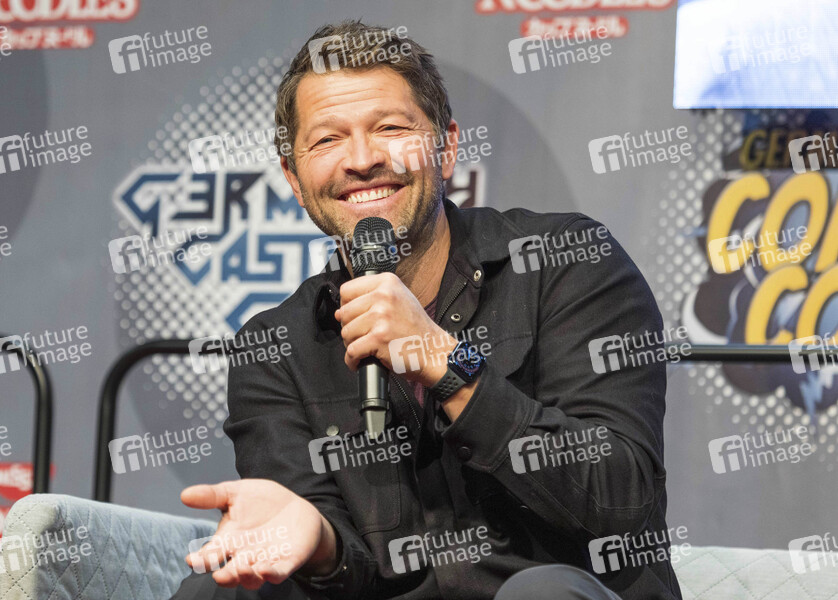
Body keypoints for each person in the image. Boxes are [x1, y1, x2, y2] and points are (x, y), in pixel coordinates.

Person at [170, 20, 683, 600]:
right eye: (328, 140)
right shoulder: (274, 349)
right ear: (294, 176)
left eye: (390, 128)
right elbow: (340, 569)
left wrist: (447, 364)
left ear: (447, 148)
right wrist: (321, 543)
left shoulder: (563, 262)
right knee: (213, 592)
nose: (361, 159)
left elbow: (621, 500)